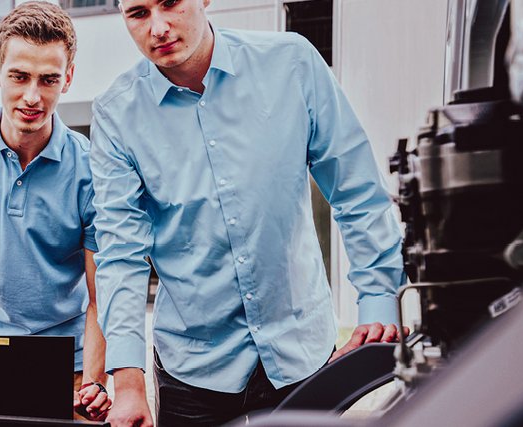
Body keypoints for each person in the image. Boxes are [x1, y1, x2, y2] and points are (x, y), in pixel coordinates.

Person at [90, 1, 407, 426]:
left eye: (170, 3)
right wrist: (128, 384)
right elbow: (120, 254)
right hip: (193, 370)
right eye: (138, 13)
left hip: (302, 355)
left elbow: (357, 191)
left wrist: (379, 301)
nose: (159, 27)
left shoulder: (292, 63)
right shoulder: (115, 115)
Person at [0, 2, 110, 421]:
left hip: (71, 363)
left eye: (48, 79)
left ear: (67, 79)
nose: (32, 96)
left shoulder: (93, 170)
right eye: (19, 76)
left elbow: (100, 298)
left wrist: (94, 384)